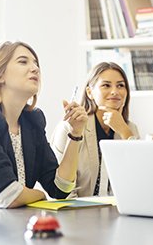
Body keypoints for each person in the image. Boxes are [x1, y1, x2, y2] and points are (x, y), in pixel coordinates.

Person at [0, 41, 87, 208]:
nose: (35, 68)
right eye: (23, 61)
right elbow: (7, 195)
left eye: (36, 63)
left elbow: (60, 189)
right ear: (0, 75)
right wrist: (40, 195)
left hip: (15, 226)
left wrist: (76, 134)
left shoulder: (32, 121)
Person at [51, 62, 140, 197]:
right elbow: (62, 190)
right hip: (77, 213)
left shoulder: (129, 128)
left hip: (118, 211)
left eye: (120, 85)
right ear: (89, 92)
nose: (115, 91)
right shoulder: (70, 127)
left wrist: (124, 131)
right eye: (106, 85)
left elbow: (140, 179)